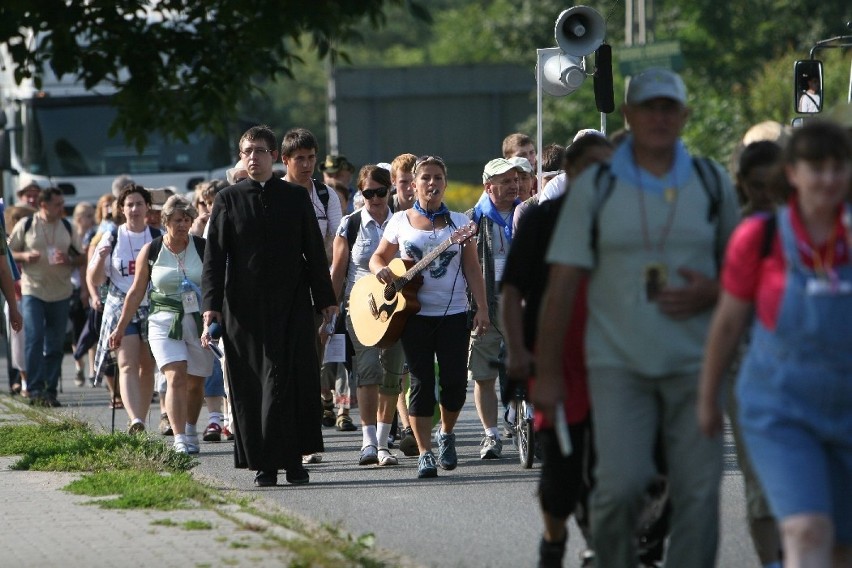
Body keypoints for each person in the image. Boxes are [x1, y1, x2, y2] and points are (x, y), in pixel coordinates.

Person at [534, 67, 739, 567]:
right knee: (619, 489)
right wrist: (547, 370)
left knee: (697, 494)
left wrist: (713, 290)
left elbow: (744, 273)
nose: (660, 117)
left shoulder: (711, 182)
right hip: (618, 366)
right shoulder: (595, 190)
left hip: (694, 365)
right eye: (649, 106)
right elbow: (560, 286)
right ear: (628, 114)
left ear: (685, 115)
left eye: (670, 107)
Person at [699, 120, 852, 568]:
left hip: (846, 406)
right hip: (779, 408)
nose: (826, 178)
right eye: (814, 167)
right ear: (793, 173)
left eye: (837, 167)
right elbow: (727, 324)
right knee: (807, 529)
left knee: (842, 546)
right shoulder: (759, 237)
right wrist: (708, 399)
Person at [202, 125, 338, 487]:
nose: (252, 157)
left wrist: (325, 301)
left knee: (292, 380)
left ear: (274, 156)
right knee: (254, 385)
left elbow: (313, 253)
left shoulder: (294, 197)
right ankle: (263, 462)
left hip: (291, 304)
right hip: (243, 311)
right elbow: (215, 257)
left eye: (259, 151)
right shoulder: (227, 200)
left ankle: (294, 460)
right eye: (246, 151)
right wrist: (210, 307)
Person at [369, 155, 488, 479]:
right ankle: (424, 452)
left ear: (445, 184)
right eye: (425, 178)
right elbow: (378, 256)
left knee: (452, 385)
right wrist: (382, 272)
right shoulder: (400, 221)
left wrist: (483, 308)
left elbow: (472, 269)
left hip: (453, 313)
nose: (431, 184)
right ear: (414, 184)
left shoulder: (459, 222)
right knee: (421, 382)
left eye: (437, 178)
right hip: (413, 314)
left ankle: (446, 433)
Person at [110, 195, 213, 454]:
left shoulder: (202, 247)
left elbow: (217, 285)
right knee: (175, 375)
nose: (183, 224)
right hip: (163, 320)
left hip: (197, 321)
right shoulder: (153, 249)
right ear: (166, 221)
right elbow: (136, 292)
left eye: (187, 219)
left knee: (195, 381)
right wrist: (120, 326)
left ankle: (190, 428)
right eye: (177, 220)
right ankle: (179, 437)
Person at [329, 165, 404, 467]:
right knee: (368, 369)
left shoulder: (402, 222)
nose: (374, 198)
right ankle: (368, 442)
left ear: (390, 190)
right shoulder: (350, 224)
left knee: (392, 374)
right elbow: (338, 269)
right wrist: (330, 307)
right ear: (360, 193)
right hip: (360, 308)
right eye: (368, 192)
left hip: (397, 308)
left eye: (380, 191)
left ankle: (385, 443)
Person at [280, 128, 349, 437]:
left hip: (315, 288)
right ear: (285, 160)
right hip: (281, 291)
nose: (306, 165)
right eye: (299, 159)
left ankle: (307, 433)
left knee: (312, 362)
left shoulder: (325, 194)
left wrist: (329, 294)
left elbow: (336, 243)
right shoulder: (274, 193)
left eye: (310, 158)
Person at [88, 184, 161, 431]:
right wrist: (100, 257)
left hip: (150, 305)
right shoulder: (112, 236)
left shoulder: (156, 236)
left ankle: (140, 416)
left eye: (139, 203)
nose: (134, 209)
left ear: (147, 207)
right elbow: (97, 279)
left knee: (147, 364)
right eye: (129, 204)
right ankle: (135, 419)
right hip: (121, 306)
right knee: (127, 363)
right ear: (121, 209)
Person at [466, 157, 523, 459]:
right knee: (484, 373)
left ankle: (519, 420)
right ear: (489, 186)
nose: (513, 185)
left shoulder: (526, 213)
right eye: (505, 181)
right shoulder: (473, 219)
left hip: (520, 302)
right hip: (485, 304)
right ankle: (490, 435)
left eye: (515, 180)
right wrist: (476, 306)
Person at [9, 187, 84, 407]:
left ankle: (50, 391)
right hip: (32, 290)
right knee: (34, 338)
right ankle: (33, 389)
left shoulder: (67, 226)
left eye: (62, 203)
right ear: (44, 205)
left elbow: (82, 256)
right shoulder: (27, 225)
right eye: (57, 204)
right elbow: (8, 251)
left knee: (54, 344)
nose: (62, 208)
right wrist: (23, 256)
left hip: (61, 292)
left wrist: (69, 261)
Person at [70, 202, 96, 387]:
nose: (91, 219)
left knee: (92, 329)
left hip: (89, 286)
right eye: (87, 215)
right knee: (77, 330)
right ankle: (79, 365)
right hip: (72, 287)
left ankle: (92, 370)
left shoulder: (94, 236)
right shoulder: (71, 235)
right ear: (78, 218)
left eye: (92, 215)